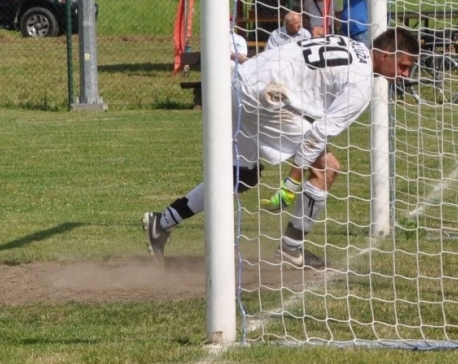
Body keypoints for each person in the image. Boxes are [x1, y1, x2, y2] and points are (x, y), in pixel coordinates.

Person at [143, 27, 420, 269]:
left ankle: (162, 222)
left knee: (243, 175)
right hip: (264, 98)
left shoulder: (350, 43)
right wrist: (291, 182)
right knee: (327, 169)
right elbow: (318, 134)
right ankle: (290, 248)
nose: (405, 75)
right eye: (403, 66)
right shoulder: (361, 83)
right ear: (385, 55)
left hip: (240, 82)